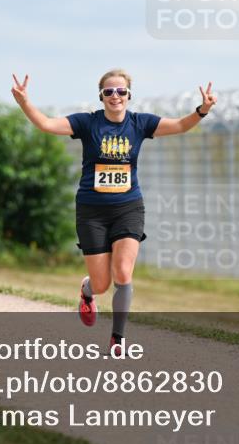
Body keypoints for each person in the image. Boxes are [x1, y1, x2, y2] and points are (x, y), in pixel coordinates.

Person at [11, 69, 217, 355]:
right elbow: (46, 124)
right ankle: (87, 291)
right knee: (101, 283)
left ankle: (117, 339)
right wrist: (24, 102)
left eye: (121, 91)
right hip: (91, 210)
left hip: (128, 207)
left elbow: (181, 125)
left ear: (129, 95)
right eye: (109, 92)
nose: (115, 96)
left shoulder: (140, 123)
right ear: (101, 96)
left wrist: (202, 110)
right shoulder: (87, 122)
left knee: (122, 273)